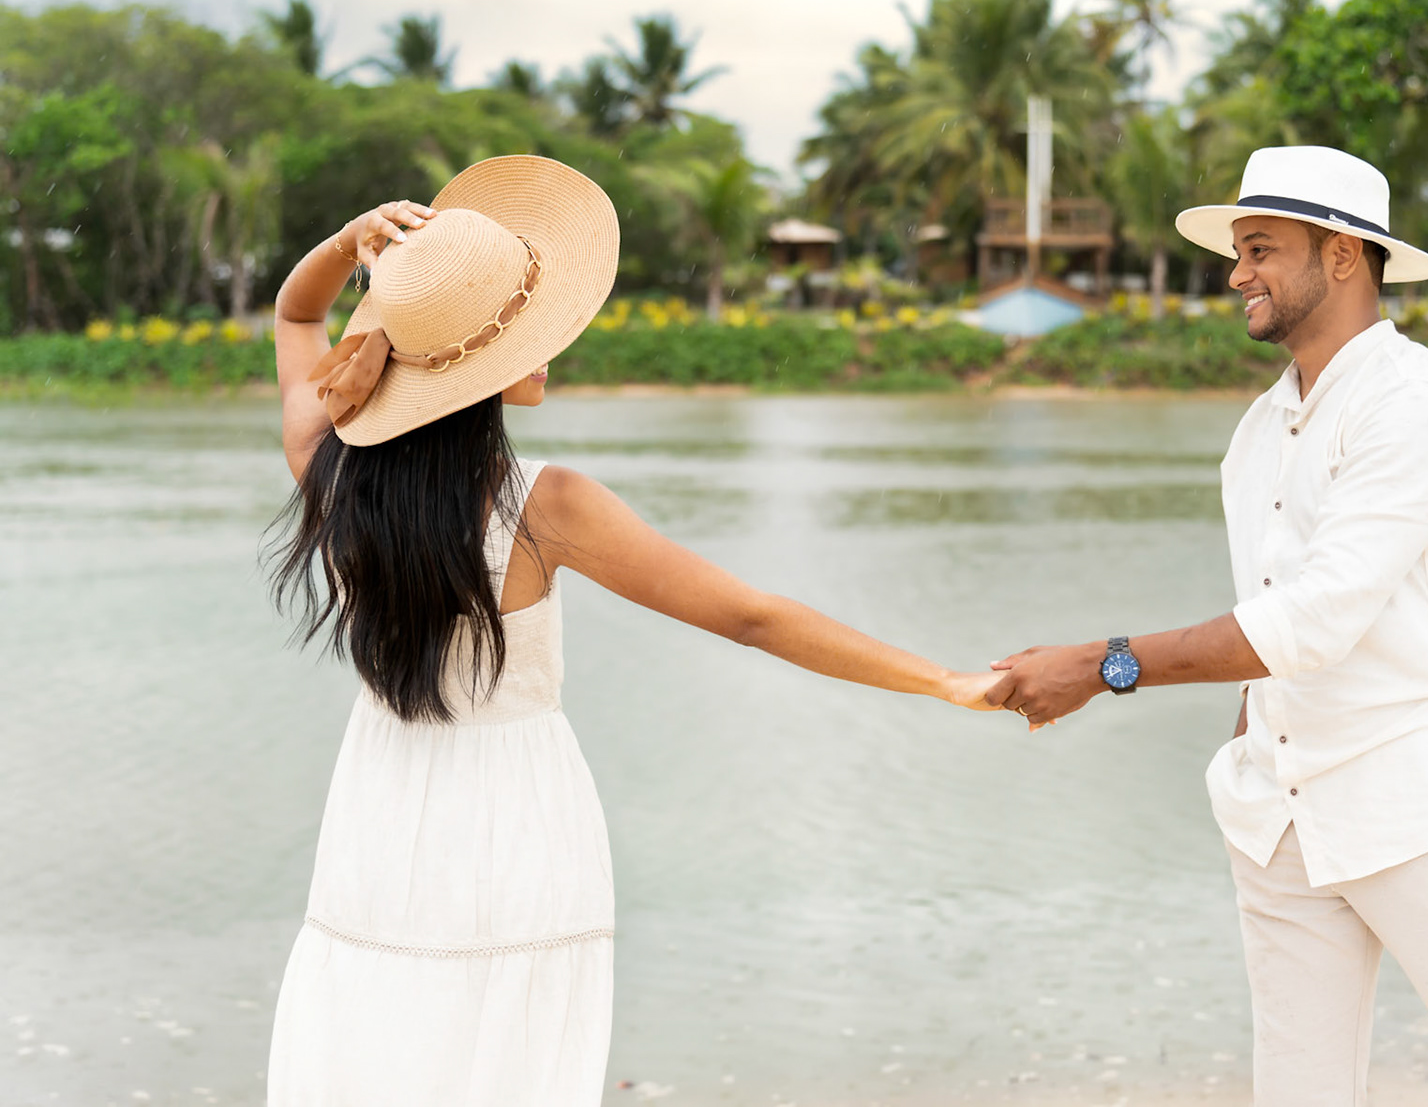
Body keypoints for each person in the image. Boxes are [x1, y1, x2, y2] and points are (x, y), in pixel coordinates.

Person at [263, 156, 999, 1105]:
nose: (551, 341)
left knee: (380, 1041)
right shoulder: (546, 505)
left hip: (379, 810)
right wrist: (940, 680)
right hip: (514, 817)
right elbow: (750, 617)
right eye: (527, 327)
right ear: (479, 367)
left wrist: (342, 242)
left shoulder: (323, 459)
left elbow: (292, 316)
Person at [987, 146, 1428, 1105]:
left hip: (1422, 807)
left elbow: (1314, 620)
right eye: (1238, 250)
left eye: (1262, 248)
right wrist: (1251, 745)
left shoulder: (1420, 403)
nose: (1237, 273)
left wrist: (1103, 665)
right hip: (1277, 815)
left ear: (1346, 256)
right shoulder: (1259, 428)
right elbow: (1273, 602)